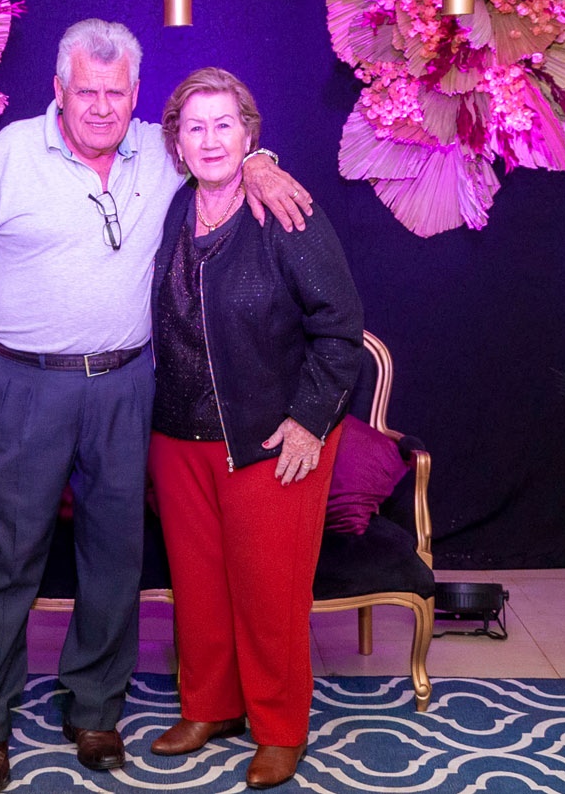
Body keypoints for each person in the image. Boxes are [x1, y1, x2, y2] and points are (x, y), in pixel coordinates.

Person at [0, 20, 311, 794]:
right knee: (5, 559)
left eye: (115, 92)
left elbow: (223, 148)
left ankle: (95, 710)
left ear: (136, 94)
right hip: (24, 381)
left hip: (126, 384)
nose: (101, 107)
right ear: (58, 91)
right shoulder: (11, 153)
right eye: (86, 92)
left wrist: (262, 160)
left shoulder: (160, 152)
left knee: (114, 557)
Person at [145, 67, 363, 789]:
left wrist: (308, 421)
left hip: (270, 439)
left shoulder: (284, 210)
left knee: (270, 595)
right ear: (176, 143)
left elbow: (340, 328)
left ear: (249, 136)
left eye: (225, 126)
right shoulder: (168, 207)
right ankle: (209, 707)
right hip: (177, 435)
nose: (210, 141)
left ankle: (279, 728)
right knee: (198, 588)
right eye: (195, 127)